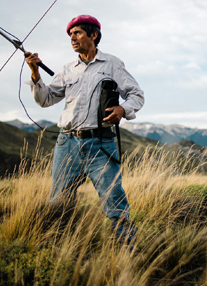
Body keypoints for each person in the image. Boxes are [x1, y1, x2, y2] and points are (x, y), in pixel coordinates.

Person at [24, 14, 144, 245]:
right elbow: (45, 99)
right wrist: (35, 74)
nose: (72, 38)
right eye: (70, 34)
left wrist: (123, 109)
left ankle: (127, 248)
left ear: (94, 35)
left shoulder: (112, 64)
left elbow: (137, 95)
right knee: (59, 201)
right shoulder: (67, 69)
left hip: (101, 142)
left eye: (77, 33)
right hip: (66, 143)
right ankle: (56, 247)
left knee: (114, 198)